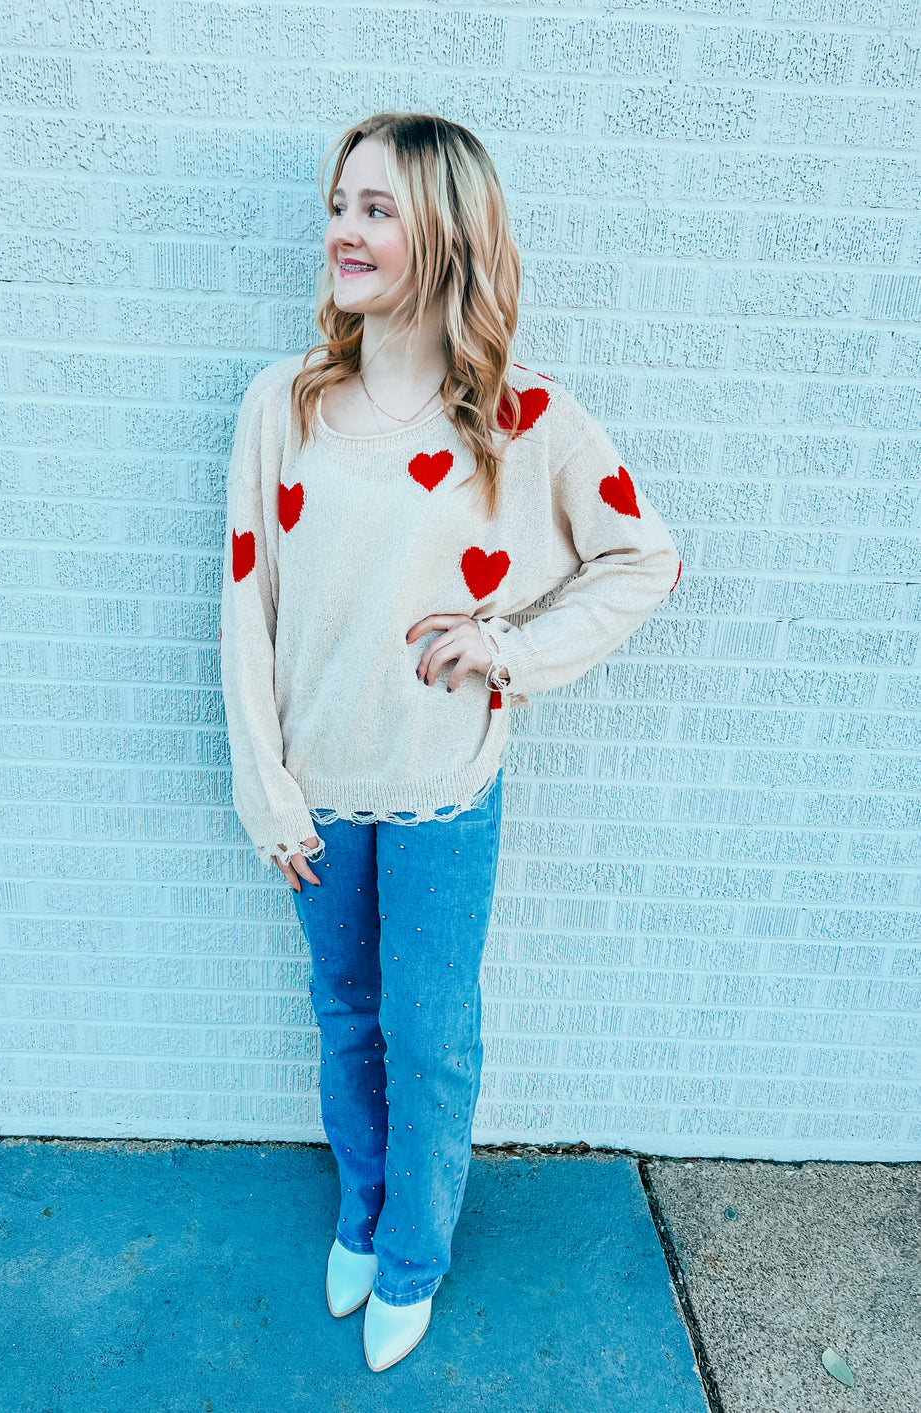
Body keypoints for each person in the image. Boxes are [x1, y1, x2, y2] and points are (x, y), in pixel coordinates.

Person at [219, 111, 681, 1373]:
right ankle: (361, 1218)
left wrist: (511, 650)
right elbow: (243, 604)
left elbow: (643, 556)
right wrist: (268, 790)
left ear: (446, 231)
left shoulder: (522, 418)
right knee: (344, 1015)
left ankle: (413, 1256)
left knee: (429, 1037)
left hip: (441, 794)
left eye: (376, 208)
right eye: (338, 203)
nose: (342, 231)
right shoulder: (283, 407)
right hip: (318, 795)